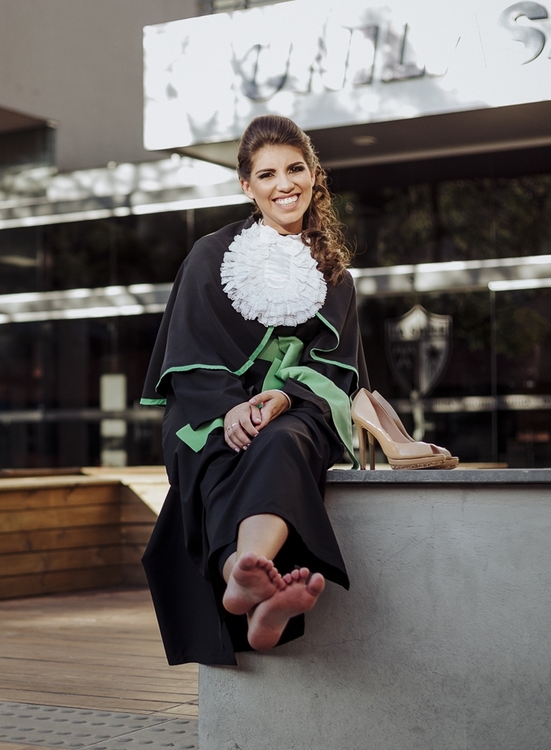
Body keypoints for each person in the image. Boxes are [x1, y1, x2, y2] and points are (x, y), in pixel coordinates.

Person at [139, 115, 368, 666]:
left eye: (295, 169)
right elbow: (187, 355)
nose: (284, 184)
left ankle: (243, 577)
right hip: (207, 405)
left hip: (296, 406)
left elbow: (339, 371)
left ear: (314, 176)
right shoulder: (209, 256)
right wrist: (231, 408)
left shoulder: (335, 275)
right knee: (223, 445)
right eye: (267, 174)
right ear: (247, 186)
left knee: (283, 439)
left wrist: (285, 397)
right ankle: (257, 594)